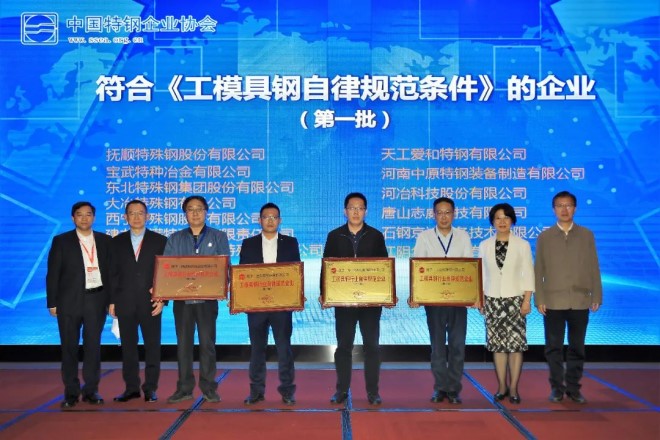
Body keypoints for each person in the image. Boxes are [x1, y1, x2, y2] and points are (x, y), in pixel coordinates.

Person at [534, 190, 602, 404]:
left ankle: (573, 388)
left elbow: (593, 266)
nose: (564, 209)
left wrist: (596, 294)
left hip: (580, 300)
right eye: (560, 206)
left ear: (575, 208)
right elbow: (539, 270)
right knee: (553, 348)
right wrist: (539, 298)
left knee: (577, 347)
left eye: (568, 205)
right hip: (553, 302)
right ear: (553, 209)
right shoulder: (545, 237)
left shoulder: (586, 235)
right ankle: (556, 388)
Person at [323, 192, 389, 406]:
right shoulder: (335, 236)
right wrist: (325, 293)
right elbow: (327, 266)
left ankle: (373, 392)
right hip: (344, 302)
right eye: (352, 208)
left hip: (370, 303)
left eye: (360, 208)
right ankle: (342, 390)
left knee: (372, 347)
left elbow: (384, 268)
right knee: (343, 347)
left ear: (366, 211)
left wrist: (387, 294)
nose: (356, 212)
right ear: (345, 211)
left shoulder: (376, 236)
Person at [164, 195, 230, 404]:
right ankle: (184, 388)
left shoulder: (219, 237)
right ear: (185, 214)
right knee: (183, 346)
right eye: (190, 209)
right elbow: (167, 269)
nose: (195, 213)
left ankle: (209, 388)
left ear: (206, 212)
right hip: (182, 302)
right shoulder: (175, 238)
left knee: (207, 345)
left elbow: (225, 267)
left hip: (207, 301)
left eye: (199, 209)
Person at [46, 201, 113, 408]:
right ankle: (71, 393)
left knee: (93, 347)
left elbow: (112, 273)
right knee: (69, 348)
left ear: (94, 217)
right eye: (80, 214)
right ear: (73, 218)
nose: (84, 218)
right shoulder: (61, 241)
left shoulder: (105, 240)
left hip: (96, 299)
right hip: (69, 301)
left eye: (88, 214)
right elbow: (53, 273)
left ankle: (91, 390)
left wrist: (111, 300)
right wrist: (52, 302)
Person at [411, 197, 473, 404]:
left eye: (448, 212)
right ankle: (440, 388)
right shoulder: (425, 237)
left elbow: (469, 268)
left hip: (458, 300)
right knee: (437, 347)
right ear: (433, 214)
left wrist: (473, 295)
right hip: (434, 301)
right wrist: (415, 295)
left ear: (454, 214)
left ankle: (453, 389)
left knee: (457, 346)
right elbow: (417, 267)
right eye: (440, 212)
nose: (444, 216)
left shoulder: (463, 236)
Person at [239, 203, 300, 406]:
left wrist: (297, 294)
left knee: (284, 349)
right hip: (256, 306)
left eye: (274, 217)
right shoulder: (248, 244)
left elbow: (295, 273)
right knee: (257, 349)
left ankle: (287, 391)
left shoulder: (290, 243)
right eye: (266, 217)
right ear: (260, 221)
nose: (270, 220)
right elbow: (242, 275)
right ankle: (256, 391)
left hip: (281, 306)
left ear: (280, 220)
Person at [109, 199, 167, 403]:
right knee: (128, 347)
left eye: (140, 213)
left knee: (152, 347)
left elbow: (166, 272)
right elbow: (112, 273)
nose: (136, 217)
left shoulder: (160, 240)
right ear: (125, 217)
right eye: (131, 213)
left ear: (147, 216)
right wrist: (112, 301)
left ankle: (150, 388)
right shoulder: (116, 242)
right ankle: (131, 388)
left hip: (151, 302)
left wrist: (163, 299)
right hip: (124, 301)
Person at [478, 203, 534, 404]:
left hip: (515, 301)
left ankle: (514, 388)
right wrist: (480, 299)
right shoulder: (484, 245)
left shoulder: (522, 245)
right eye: (498, 218)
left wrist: (527, 300)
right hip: (492, 300)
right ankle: (502, 386)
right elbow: (481, 274)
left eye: (506, 217)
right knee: (498, 347)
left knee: (515, 347)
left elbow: (528, 273)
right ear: (492, 221)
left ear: (512, 220)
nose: (502, 222)